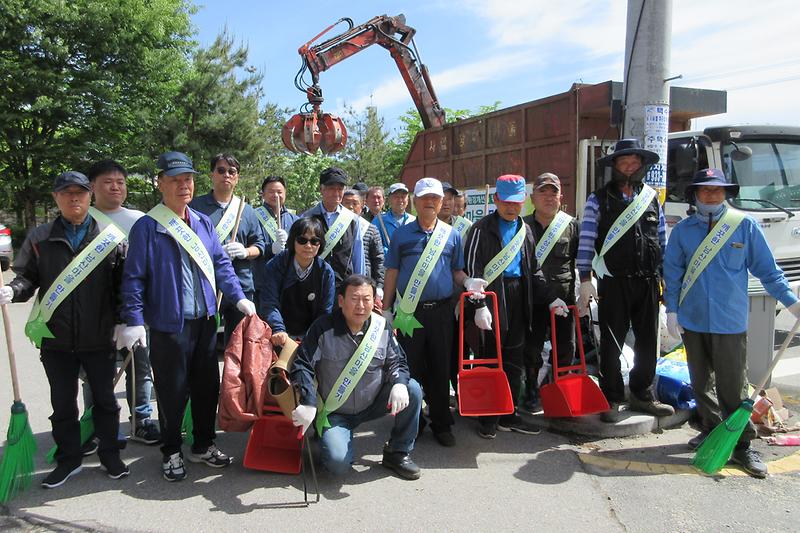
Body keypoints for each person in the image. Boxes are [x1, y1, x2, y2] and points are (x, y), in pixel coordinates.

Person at [119, 151, 256, 482]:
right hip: (169, 324)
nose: (184, 186)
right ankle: (171, 451)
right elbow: (134, 277)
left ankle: (203, 444)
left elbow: (221, 264)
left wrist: (238, 298)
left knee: (206, 387)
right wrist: (134, 318)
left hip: (207, 322)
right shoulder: (147, 227)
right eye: (176, 180)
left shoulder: (203, 222)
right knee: (171, 390)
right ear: (161, 183)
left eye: (189, 179)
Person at [664, 168, 800, 478]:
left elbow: (768, 270)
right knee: (700, 383)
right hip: (693, 320)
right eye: (705, 190)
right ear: (695, 194)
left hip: (729, 320)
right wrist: (671, 311)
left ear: (726, 193)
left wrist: (791, 303)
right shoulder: (683, 231)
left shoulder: (744, 226)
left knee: (733, 386)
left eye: (718, 189)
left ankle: (741, 445)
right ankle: (712, 430)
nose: (711, 194)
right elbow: (672, 274)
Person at [1, 171, 128, 487]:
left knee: (105, 402)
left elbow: (123, 286)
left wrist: (126, 321)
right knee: (62, 404)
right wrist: (12, 290)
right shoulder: (40, 237)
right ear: (56, 198)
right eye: (67, 193)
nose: (74, 199)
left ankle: (110, 455)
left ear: (89, 197)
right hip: (55, 338)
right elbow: (27, 278)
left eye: (80, 193)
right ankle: (69, 459)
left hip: (99, 337)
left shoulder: (109, 238)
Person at [576, 139, 675, 422]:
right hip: (613, 281)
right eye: (624, 162)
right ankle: (612, 396)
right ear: (615, 166)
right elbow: (586, 243)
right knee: (610, 340)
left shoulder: (652, 197)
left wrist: (667, 281)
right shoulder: (599, 199)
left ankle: (642, 393)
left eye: (634, 162)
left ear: (641, 166)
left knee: (647, 340)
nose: (629, 167)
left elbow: (662, 240)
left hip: (647, 281)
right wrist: (586, 279)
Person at [382, 178, 485, 447]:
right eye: (425, 197)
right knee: (410, 369)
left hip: (441, 312)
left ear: (442, 203)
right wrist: (386, 309)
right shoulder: (402, 235)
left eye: (435, 198)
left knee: (441, 367)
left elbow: (456, 271)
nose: (430, 202)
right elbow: (392, 271)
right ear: (415, 201)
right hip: (408, 312)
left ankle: (441, 422)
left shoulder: (451, 235)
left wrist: (467, 282)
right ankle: (412, 423)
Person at [290, 275, 423, 479]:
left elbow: (398, 362)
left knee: (411, 389)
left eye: (366, 299)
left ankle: (398, 452)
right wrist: (308, 402)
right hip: (335, 410)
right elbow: (302, 364)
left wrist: (398, 383)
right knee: (337, 465)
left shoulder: (381, 327)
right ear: (341, 300)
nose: (361, 306)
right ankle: (326, 440)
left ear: (374, 301)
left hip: (372, 403)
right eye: (354, 299)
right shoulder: (323, 328)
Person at [464, 174, 567, 438]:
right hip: (491, 298)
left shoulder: (526, 230)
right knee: (489, 357)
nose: (511, 207)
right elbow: (473, 272)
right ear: (496, 200)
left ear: (523, 202)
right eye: (506, 202)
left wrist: (551, 298)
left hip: (520, 297)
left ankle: (509, 413)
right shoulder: (480, 229)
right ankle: (487, 415)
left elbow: (534, 271)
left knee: (514, 359)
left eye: (516, 202)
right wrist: (479, 305)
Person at [85, 160, 161, 445]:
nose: (116, 187)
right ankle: (95, 425)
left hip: (137, 309)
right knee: (96, 372)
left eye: (121, 182)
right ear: (92, 187)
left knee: (140, 368)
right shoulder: (84, 219)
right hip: (96, 311)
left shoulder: (140, 219)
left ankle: (142, 420)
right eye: (108, 181)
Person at [189, 153, 265, 344]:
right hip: (206, 284)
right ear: (212, 175)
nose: (226, 175)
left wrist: (245, 251)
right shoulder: (194, 207)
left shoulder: (247, 210)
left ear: (237, 177)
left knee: (239, 343)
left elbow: (260, 246)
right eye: (221, 170)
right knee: (204, 344)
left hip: (241, 286)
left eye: (232, 172)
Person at [521, 173, 580, 413]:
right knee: (532, 348)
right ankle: (532, 390)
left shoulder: (571, 225)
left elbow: (579, 260)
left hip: (564, 299)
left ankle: (555, 387)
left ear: (560, 198)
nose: (548, 197)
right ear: (532, 198)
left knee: (566, 347)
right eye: (542, 192)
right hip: (532, 299)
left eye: (553, 192)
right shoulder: (522, 226)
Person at [260, 217, 335, 345]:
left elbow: (325, 311)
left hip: (311, 336)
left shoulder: (326, 272)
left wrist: (312, 336)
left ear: (320, 244)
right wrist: (278, 329)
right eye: (302, 240)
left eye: (314, 241)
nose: (308, 245)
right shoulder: (276, 265)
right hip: (278, 334)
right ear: (293, 240)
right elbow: (269, 303)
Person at [303, 167, 365, 289]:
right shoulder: (307, 217)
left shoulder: (352, 220)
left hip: (343, 286)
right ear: (322, 189)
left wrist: (361, 284)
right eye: (331, 188)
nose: (336, 193)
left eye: (340, 189)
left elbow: (358, 255)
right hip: (313, 284)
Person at [253, 175, 298, 318]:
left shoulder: (295, 220)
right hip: (262, 281)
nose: (276, 195)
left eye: (279, 191)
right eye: (271, 192)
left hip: (288, 282)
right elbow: (251, 245)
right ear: (263, 194)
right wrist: (270, 248)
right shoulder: (253, 216)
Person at [343, 188, 385, 309]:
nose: (351, 207)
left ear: (362, 206)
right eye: (347, 203)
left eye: (355, 203)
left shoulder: (371, 229)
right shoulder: (335, 229)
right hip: (342, 282)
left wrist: (379, 286)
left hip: (366, 282)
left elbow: (379, 260)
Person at [374, 182, 415, 256]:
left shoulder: (414, 221)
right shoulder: (379, 220)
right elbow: (373, 245)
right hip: (387, 265)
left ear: (408, 200)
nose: (400, 200)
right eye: (396, 197)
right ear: (389, 199)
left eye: (403, 197)